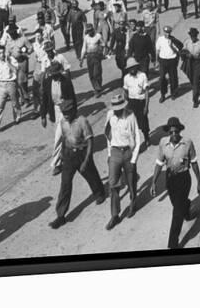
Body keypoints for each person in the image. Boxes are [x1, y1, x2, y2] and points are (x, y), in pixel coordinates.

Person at [48, 99, 106, 229]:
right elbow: (64, 138)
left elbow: (90, 141)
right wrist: (62, 155)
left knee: (91, 176)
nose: (66, 115)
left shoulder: (82, 121)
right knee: (65, 184)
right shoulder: (63, 122)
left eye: (68, 112)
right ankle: (61, 215)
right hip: (68, 155)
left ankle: (100, 193)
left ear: (74, 110)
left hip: (82, 153)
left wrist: (87, 159)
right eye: (64, 113)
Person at [150, 117, 200, 249]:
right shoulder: (163, 143)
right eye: (171, 132)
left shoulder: (188, 143)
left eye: (176, 132)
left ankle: (172, 244)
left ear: (180, 131)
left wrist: (199, 182)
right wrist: (153, 182)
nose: (174, 135)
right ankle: (187, 207)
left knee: (176, 213)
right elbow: (159, 163)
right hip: (170, 179)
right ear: (168, 132)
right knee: (177, 203)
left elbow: (194, 162)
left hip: (183, 178)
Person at [104, 94, 141, 230]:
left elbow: (137, 136)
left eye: (119, 108)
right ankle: (115, 215)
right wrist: (109, 153)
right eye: (115, 108)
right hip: (114, 151)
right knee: (113, 184)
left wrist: (134, 158)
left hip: (127, 152)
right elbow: (107, 134)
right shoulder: (110, 115)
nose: (117, 110)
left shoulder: (130, 116)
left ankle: (133, 203)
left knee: (131, 181)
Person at [40, 61, 77, 174]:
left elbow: (72, 98)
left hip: (65, 110)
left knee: (58, 136)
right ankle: (67, 155)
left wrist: (73, 114)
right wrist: (43, 116)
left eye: (56, 74)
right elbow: (45, 99)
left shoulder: (66, 81)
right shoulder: (47, 82)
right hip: (54, 110)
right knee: (63, 135)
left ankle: (55, 163)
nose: (54, 76)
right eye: (53, 74)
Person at [0, 44, 22, 134]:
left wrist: (8, 62)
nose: (2, 55)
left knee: (15, 103)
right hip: (0, 84)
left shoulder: (12, 59)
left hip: (11, 83)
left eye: (3, 52)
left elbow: (15, 70)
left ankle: (17, 116)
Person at [3, 24, 33, 106]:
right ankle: (23, 98)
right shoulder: (9, 42)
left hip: (22, 61)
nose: (11, 34)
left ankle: (26, 98)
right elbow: (7, 53)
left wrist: (25, 52)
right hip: (13, 63)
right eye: (10, 33)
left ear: (16, 31)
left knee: (21, 81)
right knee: (17, 82)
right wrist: (7, 58)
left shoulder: (23, 39)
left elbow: (30, 48)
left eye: (12, 32)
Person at [123, 58, 150, 146]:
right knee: (132, 124)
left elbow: (146, 92)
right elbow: (125, 92)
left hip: (141, 102)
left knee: (144, 122)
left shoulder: (142, 75)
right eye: (130, 68)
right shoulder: (126, 78)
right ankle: (135, 143)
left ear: (136, 66)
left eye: (134, 67)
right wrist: (126, 105)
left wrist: (146, 106)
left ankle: (146, 137)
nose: (132, 69)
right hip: (131, 103)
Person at [156, 25, 181, 102]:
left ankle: (173, 93)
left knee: (173, 78)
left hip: (172, 60)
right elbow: (158, 50)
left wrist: (171, 46)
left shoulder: (173, 40)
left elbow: (177, 51)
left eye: (168, 32)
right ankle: (163, 94)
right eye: (166, 32)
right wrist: (157, 61)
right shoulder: (160, 39)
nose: (167, 34)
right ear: (164, 32)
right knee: (162, 78)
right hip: (163, 60)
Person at [79, 24, 105, 95]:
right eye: (88, 31)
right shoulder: (86, 38)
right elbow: (84, 48)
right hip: (89, 56)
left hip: (96, 55)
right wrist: (81, 60)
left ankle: (98, 88)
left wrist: (101, 52)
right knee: (91, 74)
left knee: (97, 73)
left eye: (90, 30)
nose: (89, 32)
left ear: (93, 29)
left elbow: (103, 44)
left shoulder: (98, 36)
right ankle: (96, 88)